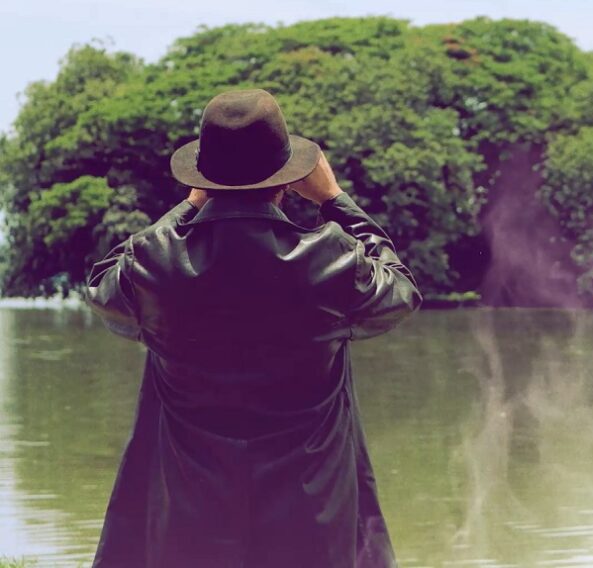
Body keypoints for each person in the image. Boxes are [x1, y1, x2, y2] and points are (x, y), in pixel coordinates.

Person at [85, 89, 421, 567]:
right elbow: (402, 292)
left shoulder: (157, 265)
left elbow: (103, 286)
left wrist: (187, 207)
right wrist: (335, 200)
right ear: (287, 180)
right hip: (312, 515)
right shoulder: (330, 259)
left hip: (189, 513)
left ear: (203, 178)